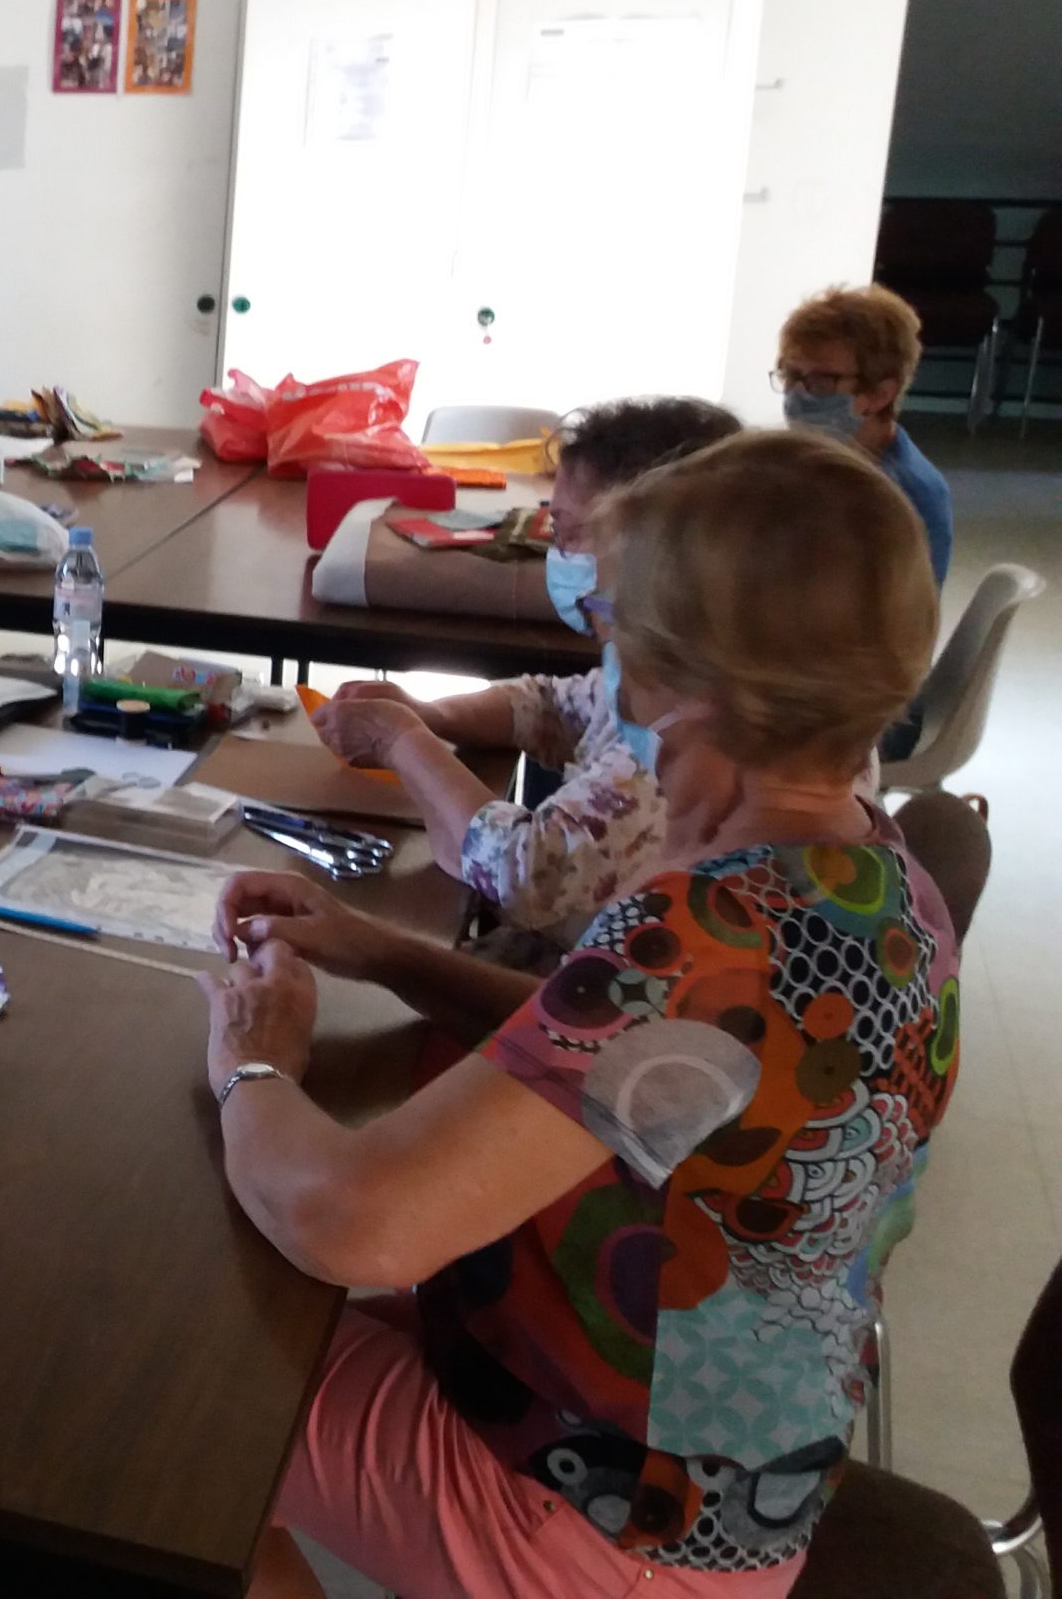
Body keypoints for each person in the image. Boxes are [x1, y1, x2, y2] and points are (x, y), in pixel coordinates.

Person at [204, 429, 952, 1598]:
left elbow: (354, 1224)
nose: (608, 674)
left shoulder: (703, 933)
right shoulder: (878, 879)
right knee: (244, 1333)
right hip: (732, 1479)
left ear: (686, 687)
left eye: (618, 634)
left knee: (163, 1391)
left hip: (612, 1522)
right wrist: (385, 953)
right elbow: (631, 1057)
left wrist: (252, 1065)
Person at [312, 397, 740, 953]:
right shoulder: (660, 668)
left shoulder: (688, 732)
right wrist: (429, 713)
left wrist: (400, 741)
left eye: (570, 533)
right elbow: (554, 704)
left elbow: (524, 876)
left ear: (651, 548)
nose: (556, 554)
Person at [775, 284, 953, 586]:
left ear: (880, 394)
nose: (799, 394)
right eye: (791, 375)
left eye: (822, 381)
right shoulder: (809, 460)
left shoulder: (905, 495)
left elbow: (894, 612)